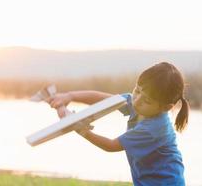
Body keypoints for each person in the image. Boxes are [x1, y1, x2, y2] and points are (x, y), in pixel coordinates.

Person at [46, 62, 189, 185]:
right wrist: (70, 96)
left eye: (147, 101)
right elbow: (105, 102)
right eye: (137, 90)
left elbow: (111, 145)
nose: (137, 100)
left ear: (166, 107)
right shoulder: (137, 103)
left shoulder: (154, 128)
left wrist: (81, 130)